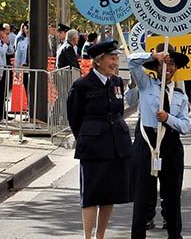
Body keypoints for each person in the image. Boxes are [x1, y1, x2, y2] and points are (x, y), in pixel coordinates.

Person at [66, 40, 132, 239]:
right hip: (94, 147)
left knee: (109, 193)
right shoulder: (82, 86)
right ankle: (88, 236)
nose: (115, 62)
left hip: (116, 145)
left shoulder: (116, 82)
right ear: (98, 61)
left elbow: (118, 111)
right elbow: (74, 118)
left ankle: (100, 236)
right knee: (91, 195)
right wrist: (87, 138)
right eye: (112, 58)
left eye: (116, 58)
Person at [127, 43, 191, 239]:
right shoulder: (146, 84)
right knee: (142, 195)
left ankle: (174, 234)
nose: (168, 68)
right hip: (147, 141)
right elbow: (131, 62)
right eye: (165, 63)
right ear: (156, 66)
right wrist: (154, 56)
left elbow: (185, 126)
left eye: (172, 63)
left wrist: (168, 118)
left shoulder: (180, 95)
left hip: (170, 143)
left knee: (172, 196)